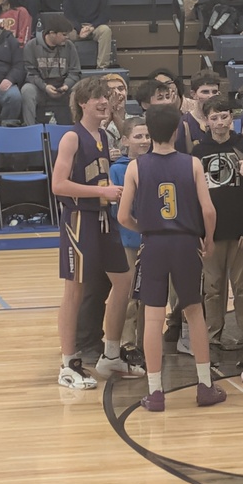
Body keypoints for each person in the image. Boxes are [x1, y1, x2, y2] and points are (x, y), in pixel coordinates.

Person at [118, 103, 227, 411]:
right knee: (194, 314)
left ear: (149, 133)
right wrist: (207, 238)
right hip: (185, 243)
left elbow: (124, 216)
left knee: (152, 318)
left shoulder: (136, 167)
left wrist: (146, 229)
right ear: (177, 131)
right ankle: (205, 386)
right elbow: (208, 209)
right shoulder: (192, 164)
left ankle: (155, 392)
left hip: (153, 244)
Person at [53, 76, 134, 389]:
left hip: (103, 218)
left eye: (107, 97)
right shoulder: (72, 138)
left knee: (123, 280)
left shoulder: (102, 134)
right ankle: (68, 363)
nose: (104, 102)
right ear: (82, 103)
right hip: (79, 219)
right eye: (98, 97)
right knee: (74, 291)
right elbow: (58, 184)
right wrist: (103, 191)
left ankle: (111, 353)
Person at [192, 95, 243, 350]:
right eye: (214, 118)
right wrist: (199, 230)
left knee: (242, 288)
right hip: (212, 233)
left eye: (224, 116)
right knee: (212, 288)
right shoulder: (198, 152)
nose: (220, 122)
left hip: (241, 231)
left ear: (232, 118)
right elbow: (194, 196)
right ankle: (213, 335)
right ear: (206, 121)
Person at [110, 116, 152, 359]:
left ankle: (147, 342)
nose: (144, 141)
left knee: (149, 295)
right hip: (128, 239)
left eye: (147, 136)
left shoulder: (156, 165)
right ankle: (126, 343)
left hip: (153, 241)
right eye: (138, 136)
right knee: (127, 296)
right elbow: (118, 211)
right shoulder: (118, 169)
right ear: (125, 140)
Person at [21, 13, 80, 126]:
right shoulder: (31, 46)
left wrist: (66, 85)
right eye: (63, 34)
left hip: (64, 85)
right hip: (41, 87)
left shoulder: (69, 46)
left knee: (80, 90)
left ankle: (76, 128)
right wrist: (45, 87)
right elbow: (30, 73)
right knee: (27, 90)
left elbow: (75, 72)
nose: (67, 37)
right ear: (52, 33)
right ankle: (30, 128)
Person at [174, 69, 221, 153]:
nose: (211, 96)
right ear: (193, 94)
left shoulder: (225, 121)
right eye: (205, 92)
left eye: (214, 92)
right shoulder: (184, 123)